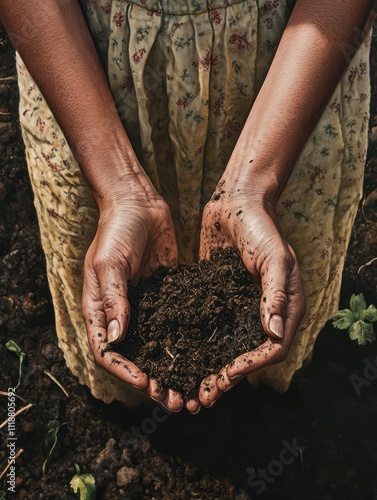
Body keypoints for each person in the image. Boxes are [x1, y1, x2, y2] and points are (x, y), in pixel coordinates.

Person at [0, 0, 375, 414]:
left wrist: (253, 186)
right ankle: (132, 415)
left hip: (293, 72)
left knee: (273, 302)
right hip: (80, 71)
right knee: (118, 304)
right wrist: (117, 187)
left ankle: (261, 408)